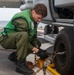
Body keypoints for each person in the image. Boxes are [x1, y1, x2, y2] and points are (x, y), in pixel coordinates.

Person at [0, 4, 48, 75]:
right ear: (33, 12)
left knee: (38, 43)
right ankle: (20, 65)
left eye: (41, 19)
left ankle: (15, 56)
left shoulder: (33, 19)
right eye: (39, 18)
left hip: (17, 39)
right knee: (24, 35)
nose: (39, 21)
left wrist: (37, 47)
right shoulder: (23, 19)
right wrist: (37, 51)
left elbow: (33, 37)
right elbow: (23, 39)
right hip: (6, 39)